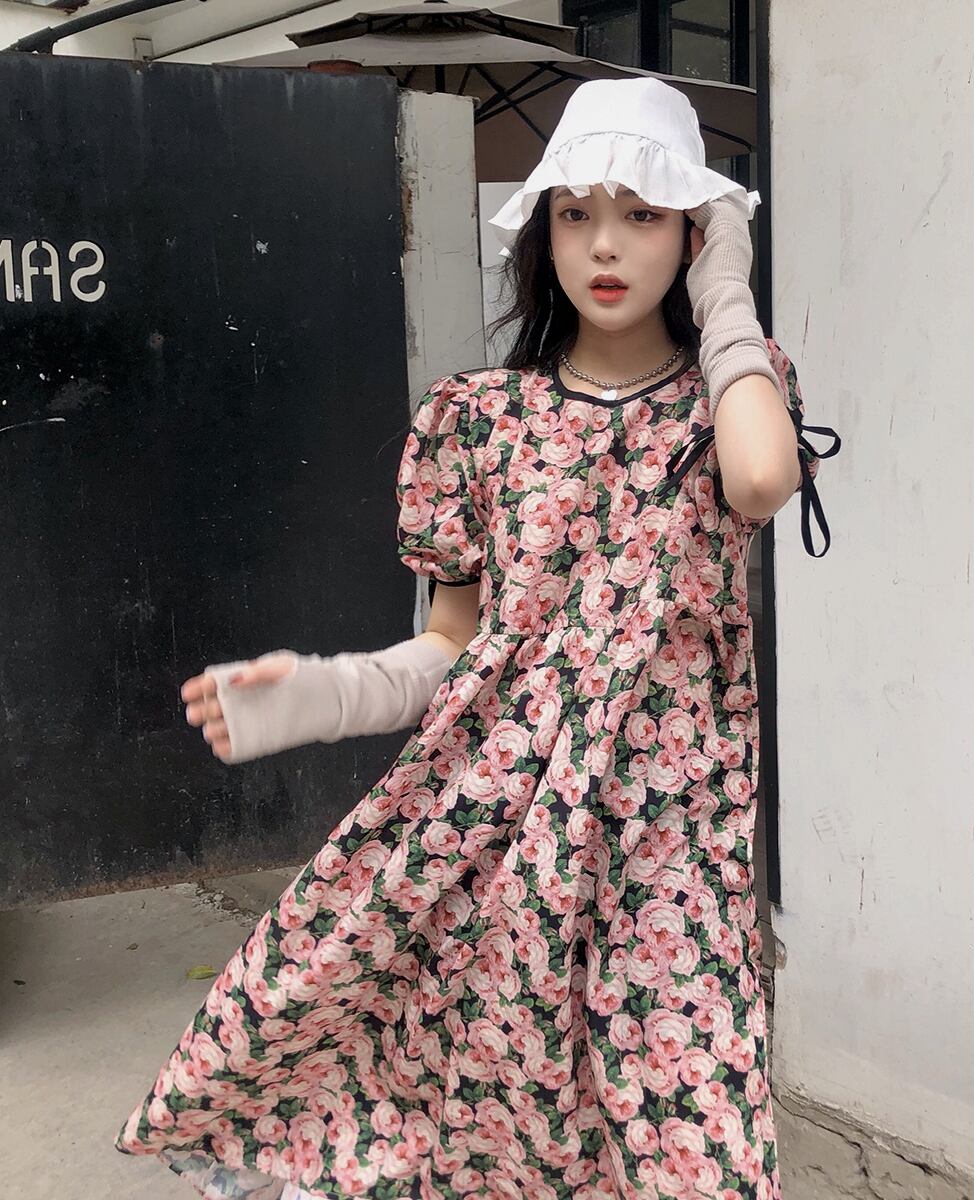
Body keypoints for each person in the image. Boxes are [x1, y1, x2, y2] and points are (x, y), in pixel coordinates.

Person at [113, 76, 841, 1200]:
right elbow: (454, 644)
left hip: (671, 838)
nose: (605, 245)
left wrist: (728, 288)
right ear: (543, 230)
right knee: (502, 1105)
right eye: (576, 212)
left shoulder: (732, 392)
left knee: (695, 1125)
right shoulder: (478, 419)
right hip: (498, 824)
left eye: (644, 213)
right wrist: (322, 694)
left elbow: (758, 479)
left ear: (694, 231)